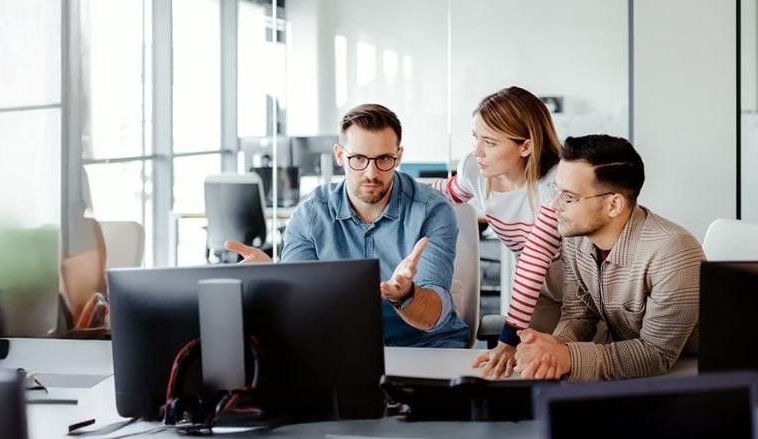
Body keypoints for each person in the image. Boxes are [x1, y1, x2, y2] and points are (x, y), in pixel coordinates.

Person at [226, 104, 469, 347]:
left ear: (398, 156)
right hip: (339, 347)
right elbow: (300, 309)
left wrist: (405, 296)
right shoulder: (310, 216)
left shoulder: (432, 210)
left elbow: (431, 318)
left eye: (384, 158)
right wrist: (274, 279)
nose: (371, 173)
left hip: (424, 346)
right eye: (358, 159)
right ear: (340, 155)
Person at [511, 134, 704, 381]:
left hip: (692, 374)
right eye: (556, 192)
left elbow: (656, 353)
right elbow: (578, 314)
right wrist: (552, 350)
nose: (555, 206)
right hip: (631, 372)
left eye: (569, 197)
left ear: (614, 205)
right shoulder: (576, 238)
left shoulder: (673, 252)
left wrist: (567, 356)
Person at [431, 86, 565, 378]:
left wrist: (508, 337)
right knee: (530, 366)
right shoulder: (476, 171)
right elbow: (446, 193)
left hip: (578, 286)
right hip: (540, 291)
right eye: (476, 138)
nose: (477, 151)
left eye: (489, 142)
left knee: (566, 363)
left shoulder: (553, 184)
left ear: (526, 146)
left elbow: (535, 258)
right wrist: (393, 188)